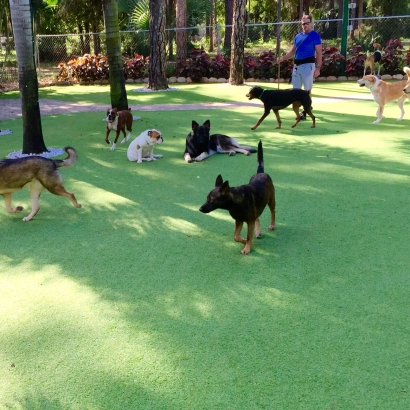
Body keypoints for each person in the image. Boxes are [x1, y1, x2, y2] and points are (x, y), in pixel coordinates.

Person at [277, 14, 322, 119]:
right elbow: (293, 52)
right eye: (303, 24)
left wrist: (318, 68)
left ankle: (306, 110)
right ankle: (299, 112)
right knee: (296, 91)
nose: (305, 25)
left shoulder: (315, 36)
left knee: (307, 90)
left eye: (307, 23)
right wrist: (282, 58)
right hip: (297, 66)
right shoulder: (298, 36)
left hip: (308, 65)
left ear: (311, 24)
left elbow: (319, 53)